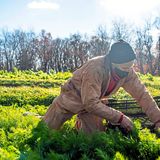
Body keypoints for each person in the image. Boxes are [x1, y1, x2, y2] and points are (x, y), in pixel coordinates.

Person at [43, 39, 160, 134]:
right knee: (44, 132)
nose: (129, 70)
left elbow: (142, 95)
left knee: (94, 139)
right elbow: (90, 103)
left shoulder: (128, 73)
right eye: (125, 67)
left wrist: (158, 119)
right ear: (113, 63)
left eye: (131, 66)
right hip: (71, 98)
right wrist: (120, 118)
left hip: (93, 104)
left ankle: (80, 125)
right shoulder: (96, 68)